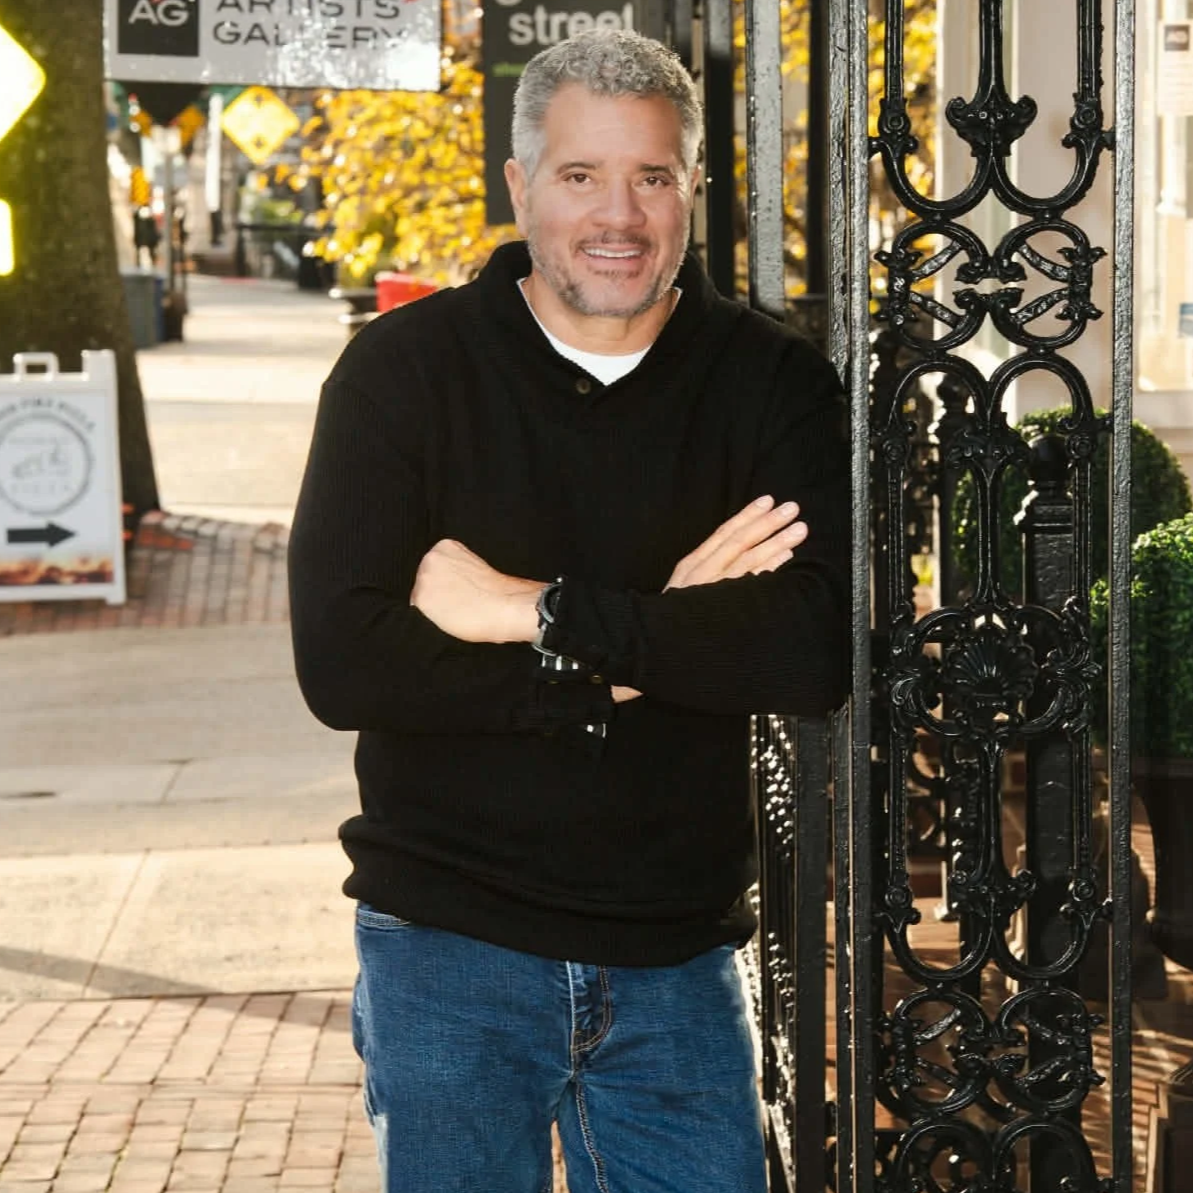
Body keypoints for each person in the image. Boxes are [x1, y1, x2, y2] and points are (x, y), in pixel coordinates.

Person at [288, 28, 850, 1193]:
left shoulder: (769, 381)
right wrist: (660, 636)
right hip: (447, 942)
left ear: (692, 187)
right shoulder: (402, 373)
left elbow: (807, 649)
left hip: (678, 956)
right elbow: (348, 665)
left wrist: (528, 608)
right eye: (581, 175)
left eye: (651, 176)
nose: (620, 214)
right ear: (520, 186)